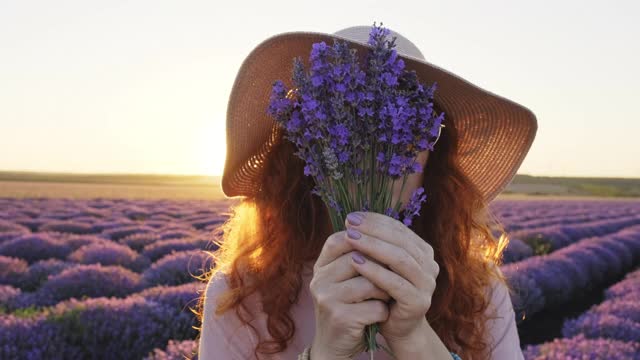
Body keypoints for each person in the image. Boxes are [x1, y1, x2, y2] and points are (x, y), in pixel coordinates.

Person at [194, 24, 537, 360]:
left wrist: (415, 339)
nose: (373, 156)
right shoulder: (241, 297)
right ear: (304, 150)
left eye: (402, 131)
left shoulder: (479, 293)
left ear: (433, 152)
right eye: (349, 123)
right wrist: (325, 353)